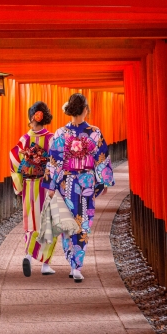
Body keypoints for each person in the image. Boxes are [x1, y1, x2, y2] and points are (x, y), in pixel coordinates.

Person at [42, 93, 115, 282]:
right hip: (86, 183)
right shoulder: (94, 132)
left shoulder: (60, 133)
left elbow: (54, 161)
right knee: (83, 223)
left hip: (66, 183)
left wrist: (51, 185)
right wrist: (103, 180)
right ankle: (77, 266)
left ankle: (72, 262)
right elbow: (101, 158)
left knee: (68, 223)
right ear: (85, 110)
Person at [9, 101, 58, 277]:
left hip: (30, 185)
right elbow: (56, 163)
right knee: (49, 222)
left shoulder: (25, 139)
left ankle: (28, 256)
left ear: (32, 117)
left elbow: (14, 159)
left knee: (31, 221)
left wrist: (19, 183)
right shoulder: (52, 138)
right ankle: (45, 264)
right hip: (47, 185)